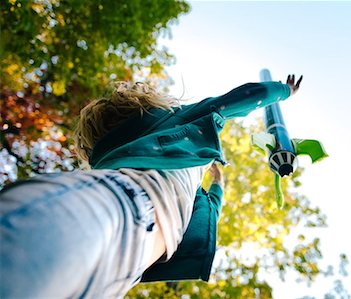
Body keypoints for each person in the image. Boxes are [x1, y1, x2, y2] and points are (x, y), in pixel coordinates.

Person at [0, 74, 302, 298]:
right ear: (146, 111)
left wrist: (217, 184)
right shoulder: (174, 121)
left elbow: (208, 209)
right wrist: (284, 91)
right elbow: (244, 96)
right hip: (118, 202)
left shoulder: (176, 171)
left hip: (122, 273)